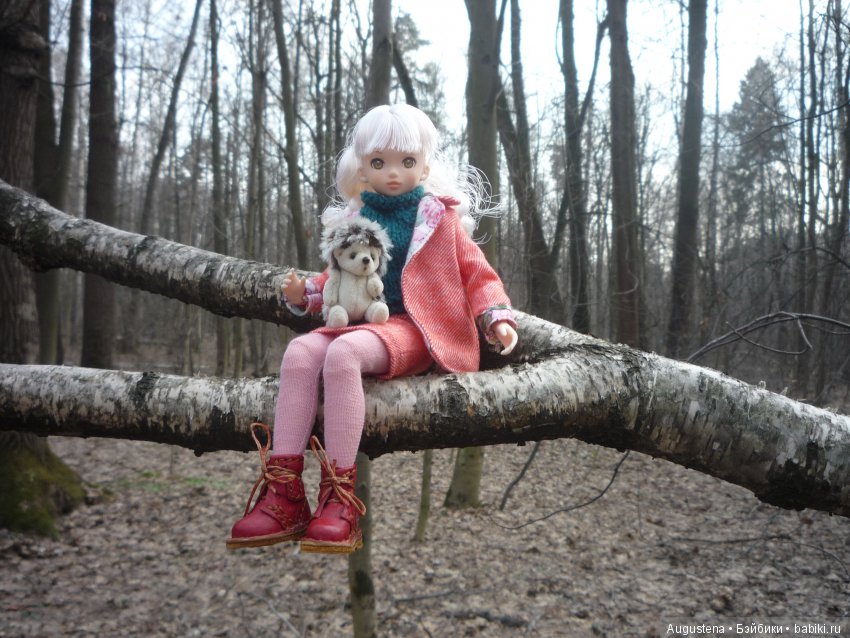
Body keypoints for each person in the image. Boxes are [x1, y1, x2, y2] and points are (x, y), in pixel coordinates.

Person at [226, 104, 518, 554]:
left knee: (343, 355)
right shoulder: (355, 220)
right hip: (365, 323)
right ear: (362, 167)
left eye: (407, 161)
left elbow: (478, 274)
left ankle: (339, 499)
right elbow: (337, 280)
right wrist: (306, 295)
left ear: (425, 166)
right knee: (300, 353)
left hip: (417, 328)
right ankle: (284, 494)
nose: (393, 173)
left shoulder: (438, 218)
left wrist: (496, 316)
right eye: (379, 162)